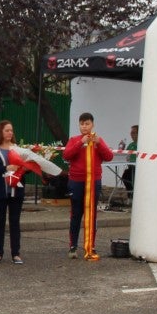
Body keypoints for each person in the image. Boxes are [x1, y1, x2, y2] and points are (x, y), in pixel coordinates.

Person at [62, 111, 114, 261]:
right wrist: (80, 143)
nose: (84, 127)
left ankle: (90, 245)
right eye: (82, 124)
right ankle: (73, 246)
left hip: (94, 181)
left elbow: (109, 157)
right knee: (76, 214)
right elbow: (66, 155)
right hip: (76, 181)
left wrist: (98, 144)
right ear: (79, 126)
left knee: (92, 214)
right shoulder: (74, 140)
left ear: (92, 125)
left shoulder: (98, 140)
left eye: (87, 124)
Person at [0, 120, 27, 264]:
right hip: (0, 191)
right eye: (7, 130)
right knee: (0, 222)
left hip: (16, 191)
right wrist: (6, 168)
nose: (10, 133)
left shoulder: (18, 149)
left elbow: (23, 169)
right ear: (0, 132)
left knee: (15, 222)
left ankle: (16, 253)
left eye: (11, 130)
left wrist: (24, 169)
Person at [120, 124, 138, 193]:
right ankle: (130, 195)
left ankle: (133, 194)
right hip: (130, 167)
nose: (131, 135)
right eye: (131, 133)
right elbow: (126, 156)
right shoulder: (131, 144)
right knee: (125, 177)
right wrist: (122, 149)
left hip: (138, 169)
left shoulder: (142, 144)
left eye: (133, 133)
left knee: (128, 176)